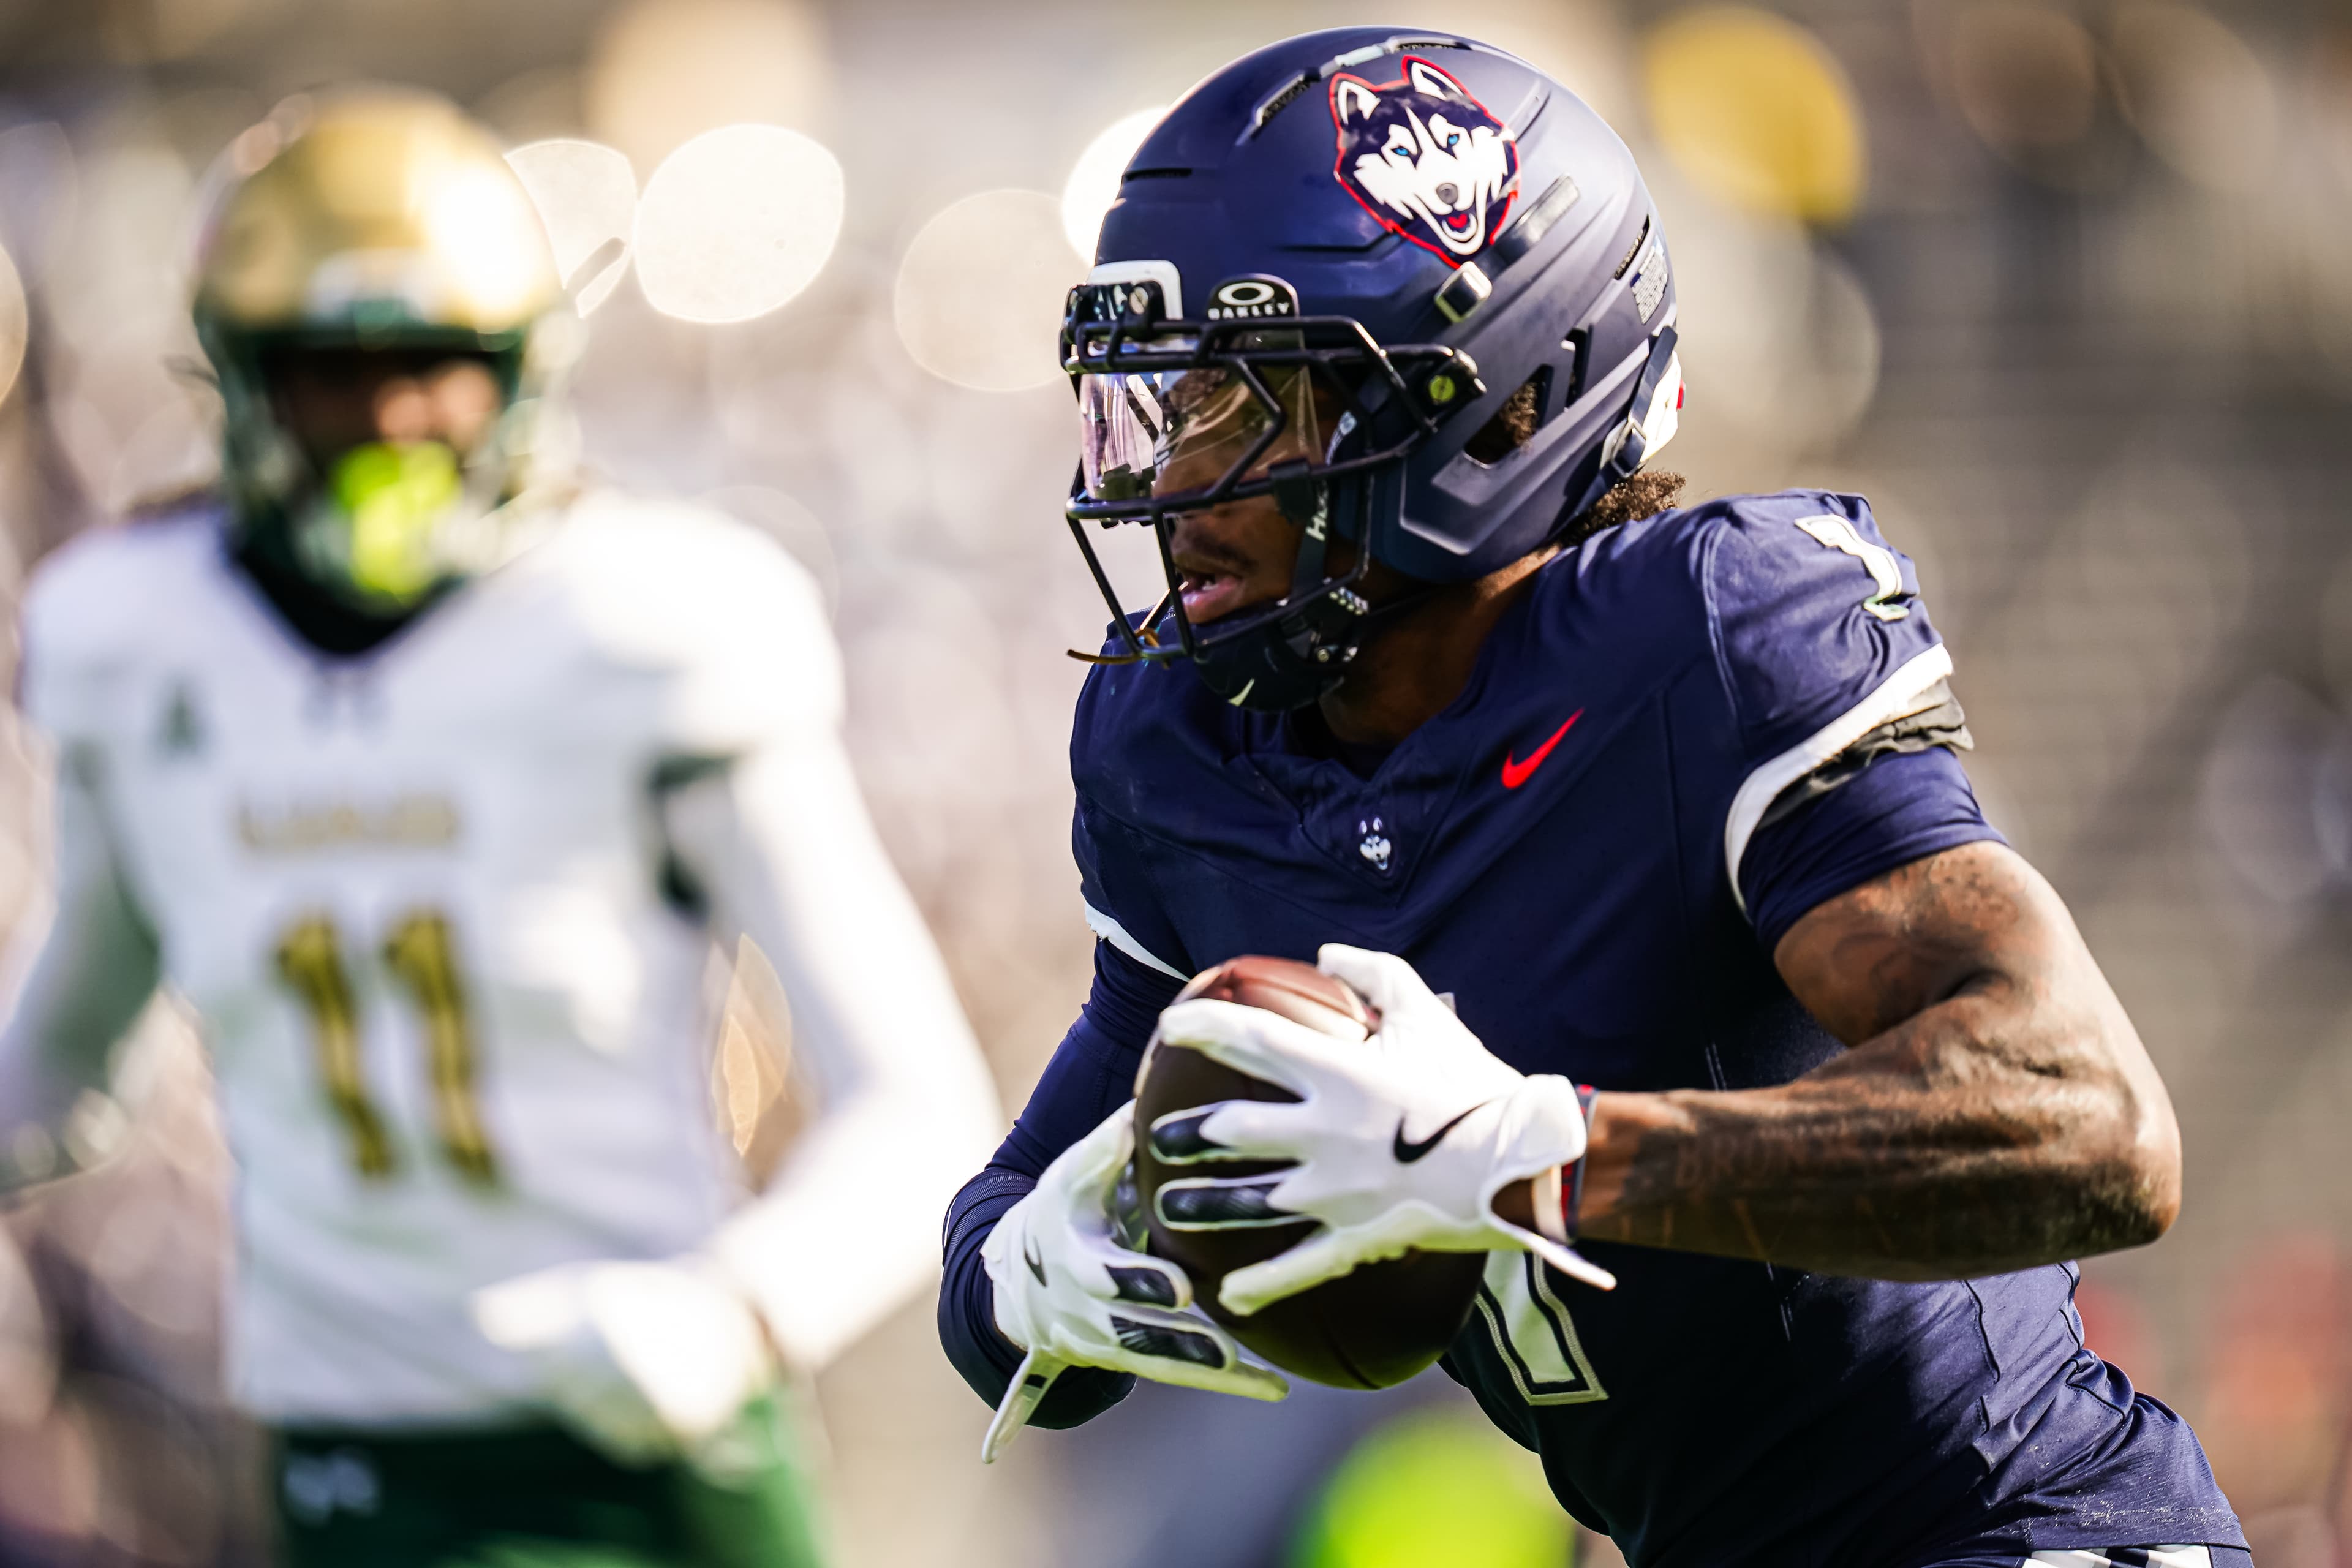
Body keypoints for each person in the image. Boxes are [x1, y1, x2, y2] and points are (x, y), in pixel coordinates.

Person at [938, 28, 2247, 1568]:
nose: (1175, 483)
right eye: (1165, 406)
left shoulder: (1703, 638)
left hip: (2021, 1528)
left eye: (1249, 402)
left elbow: (2092, 1124)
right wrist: (1029, 1269)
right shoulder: (1187, 744)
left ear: (1490, 404)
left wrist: (1527, 1154)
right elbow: (1013, 1210)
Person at [0, 89, 1001, 1567]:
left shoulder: (646, 621)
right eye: (338, 374)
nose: (393, 422)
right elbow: (60, 1071)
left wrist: (740, 1306)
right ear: (243, 374)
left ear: (524, 366)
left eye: (435, 367)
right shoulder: (139, 636)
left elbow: (923, 1108)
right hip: (353, 1453)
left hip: (653, 1453)